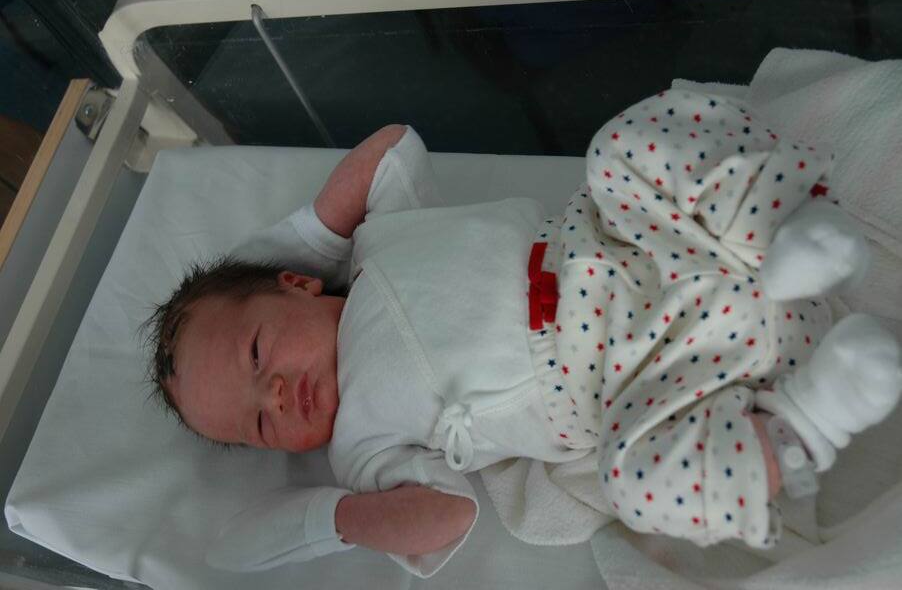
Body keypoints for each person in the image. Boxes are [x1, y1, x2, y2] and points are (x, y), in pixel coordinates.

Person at [142, 91, 902, 578]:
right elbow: (446, 516)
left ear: (297, 282)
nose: (277, 396)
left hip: (635, 242)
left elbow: (391, 144)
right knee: (636, 484)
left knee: (624, 145)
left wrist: (309, 240)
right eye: (259, 425)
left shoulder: (376, 241)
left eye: (256, 355)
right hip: (646, 376)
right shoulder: (362, 448)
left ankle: (788, 225)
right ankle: (808, 418)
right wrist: (333, 519)